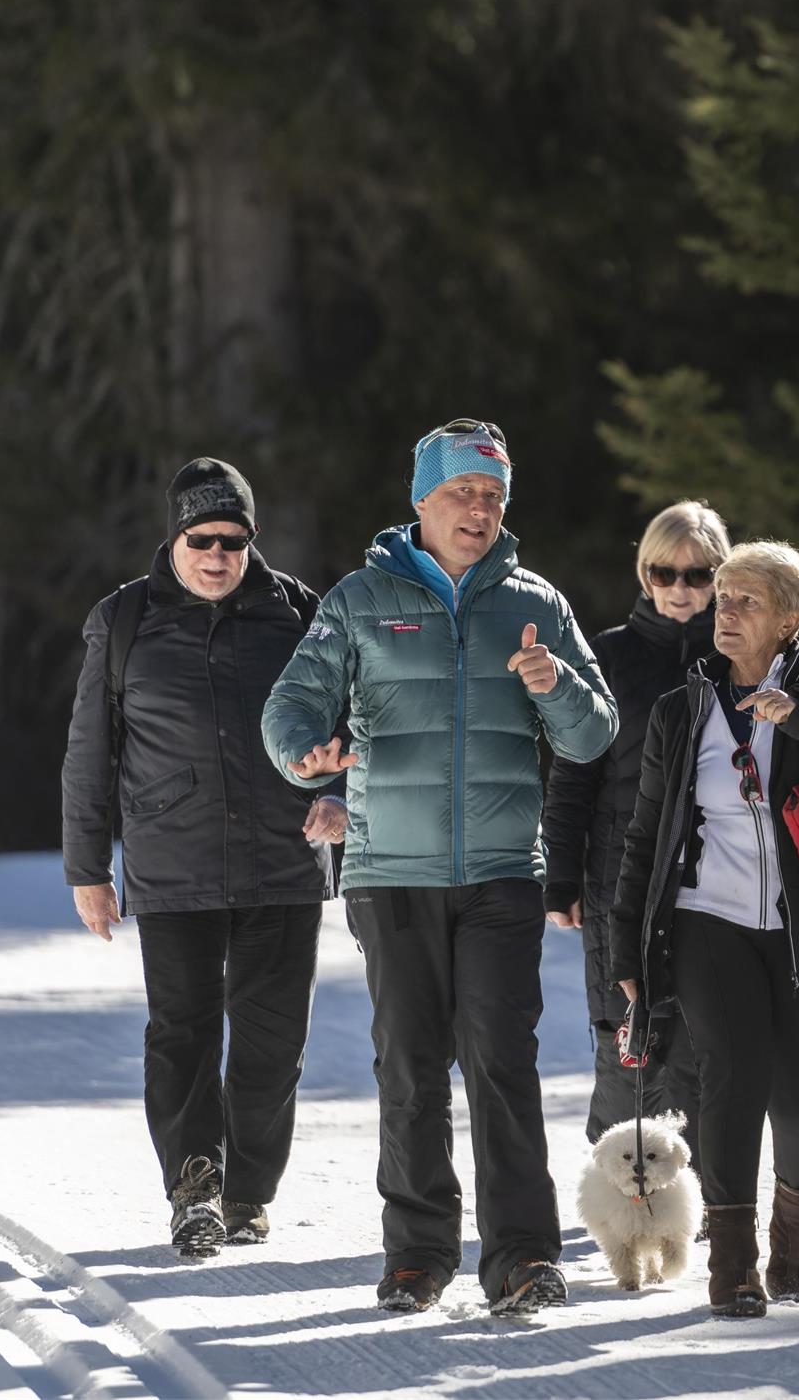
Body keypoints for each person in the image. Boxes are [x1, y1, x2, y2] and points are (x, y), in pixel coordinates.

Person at [261, 418, 618, 1315]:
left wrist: (555, 686)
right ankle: (418, 1253)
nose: (479, 509)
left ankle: (524, 1257)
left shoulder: (534, 601)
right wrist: (304, 753)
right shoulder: (359, 599)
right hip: (392, 872)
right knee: (411, 1068)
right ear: (421, 499)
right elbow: (291, 703)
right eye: (462, 492)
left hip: (501, 870)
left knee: (503, 1061)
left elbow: (595, 733)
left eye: (493, 495)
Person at [609, 540, 799, 1319]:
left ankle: (795, 1228)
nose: (726, 612)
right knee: (732, 1079)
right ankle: (732, 1266)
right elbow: (645, 837)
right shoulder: (683, 708)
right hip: (710, 924)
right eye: (724, 597)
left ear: (791, 619)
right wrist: (627, 950)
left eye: (748, 601)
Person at [61, 458, 346, 1256]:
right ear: (175, 536)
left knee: (272, 1042)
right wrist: (87, 866)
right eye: (201, 539)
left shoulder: (301, 614)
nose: (217, 556)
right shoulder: (124, 621)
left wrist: (344, 800)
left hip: (284, 863)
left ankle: (248, 1195)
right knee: (182, 1035)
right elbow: (90, 753)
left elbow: (358, 723)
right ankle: (194, 1189)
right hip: (173, 865)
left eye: (234, 540)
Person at [542, 500, 730, 1158]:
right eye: (664, 573)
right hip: (621, 880)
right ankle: (623, 1183)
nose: (681, 589)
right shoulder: (608, 657)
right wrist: (560, 874)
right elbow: (572, 776)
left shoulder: (742, 658)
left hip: (718, 874)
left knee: (711, 1029)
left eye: (699, 575)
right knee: (626, 1028)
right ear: (643, 574)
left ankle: (705, 1184)